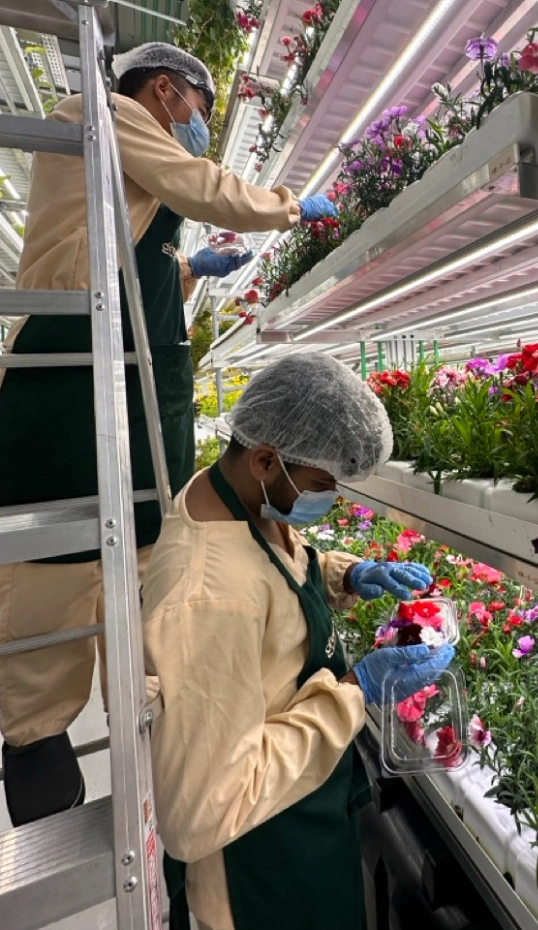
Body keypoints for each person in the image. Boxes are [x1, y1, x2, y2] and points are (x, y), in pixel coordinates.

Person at [0, 42, 340, 825]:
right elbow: (206, 188)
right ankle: (45, 779)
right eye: (197, 112)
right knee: (51, 590)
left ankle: (153, 769)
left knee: (142, 600)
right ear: (164, 89)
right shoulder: (100, 112)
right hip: (69, 380)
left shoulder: (123, 167)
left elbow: (130, 267)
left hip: (127, 405)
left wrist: (191, 272)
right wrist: (292, 204)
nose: (196, 131)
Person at [141, 354, 453, 930]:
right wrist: (354, 691)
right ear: (265, 459)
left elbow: (275, 574)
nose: (328, 499)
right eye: (321, 486)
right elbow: (201, 809)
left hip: (303, 812)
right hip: (257, 865)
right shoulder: (210, 597)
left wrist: (343, 574)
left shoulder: (229, 496)